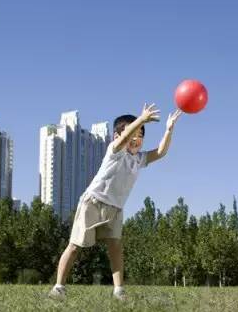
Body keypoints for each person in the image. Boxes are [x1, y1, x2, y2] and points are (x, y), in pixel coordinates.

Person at [49, 103, 182, 301]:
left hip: (116, 209)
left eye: (141, 136)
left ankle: (119, 291)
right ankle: (59, 287)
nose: (136, 139)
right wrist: (141, 119)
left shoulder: (139, 159)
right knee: (75, 246)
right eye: (132, 134)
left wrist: (169, 129)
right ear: (117, 136)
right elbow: (126, 137)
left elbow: (161, 152)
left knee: (116, 248)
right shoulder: (115, 151)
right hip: (93, 202)